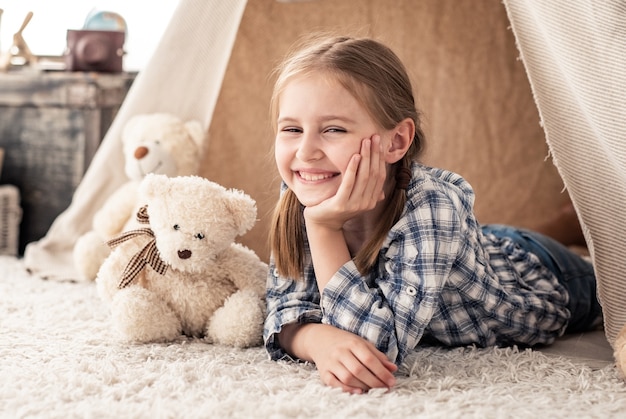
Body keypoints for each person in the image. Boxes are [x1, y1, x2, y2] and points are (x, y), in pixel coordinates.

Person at [263, 34, 602, 395]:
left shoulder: (433, 206)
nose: (307, 151)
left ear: (396, 142)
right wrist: (317, 339)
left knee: (615, 277)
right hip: (474, 248)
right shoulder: (306, 189)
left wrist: (324, 227)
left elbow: (378, 348)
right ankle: (559, 224)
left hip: (545, 275)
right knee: (487, 243)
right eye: (292, 129)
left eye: (333, 129)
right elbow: (283, 306)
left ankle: (572, 226)